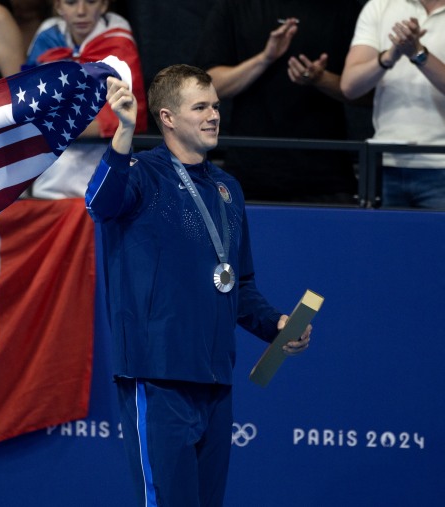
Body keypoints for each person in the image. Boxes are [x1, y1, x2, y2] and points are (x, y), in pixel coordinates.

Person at [85, 64, 311, 506]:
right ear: (167, 117)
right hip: (157, 375)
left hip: (214, 378)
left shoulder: (228, 189)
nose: (214, 115)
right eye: (201, 106)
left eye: (216, 106)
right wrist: (123, 131)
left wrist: (276, 324)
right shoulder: (140, 173)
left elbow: (237, 283)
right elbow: (98, 202)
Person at [195, 0, 363, 204]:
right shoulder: (234, 7)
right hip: (250, 174)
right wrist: (265, 58)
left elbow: (367, 95)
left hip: (327, 178)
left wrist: (320, 79)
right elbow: (210, 88)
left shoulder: (346, 8)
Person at [24, 0, 147, 198]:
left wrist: (57, 124)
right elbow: (28, 105)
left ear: (104, 5)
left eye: (90, 1)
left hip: (104, 162)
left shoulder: (119, 39)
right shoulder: (46, 38)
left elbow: (128, 114)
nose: (81, 11)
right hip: (50, 170)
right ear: (58, 7)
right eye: (71, 2)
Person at [340, 0, 445, 210]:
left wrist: (418, 54)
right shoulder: (380, 6)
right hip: (385, 163)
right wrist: (390, 56)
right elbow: (350, 86)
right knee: (384, 242)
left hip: (440, 166)